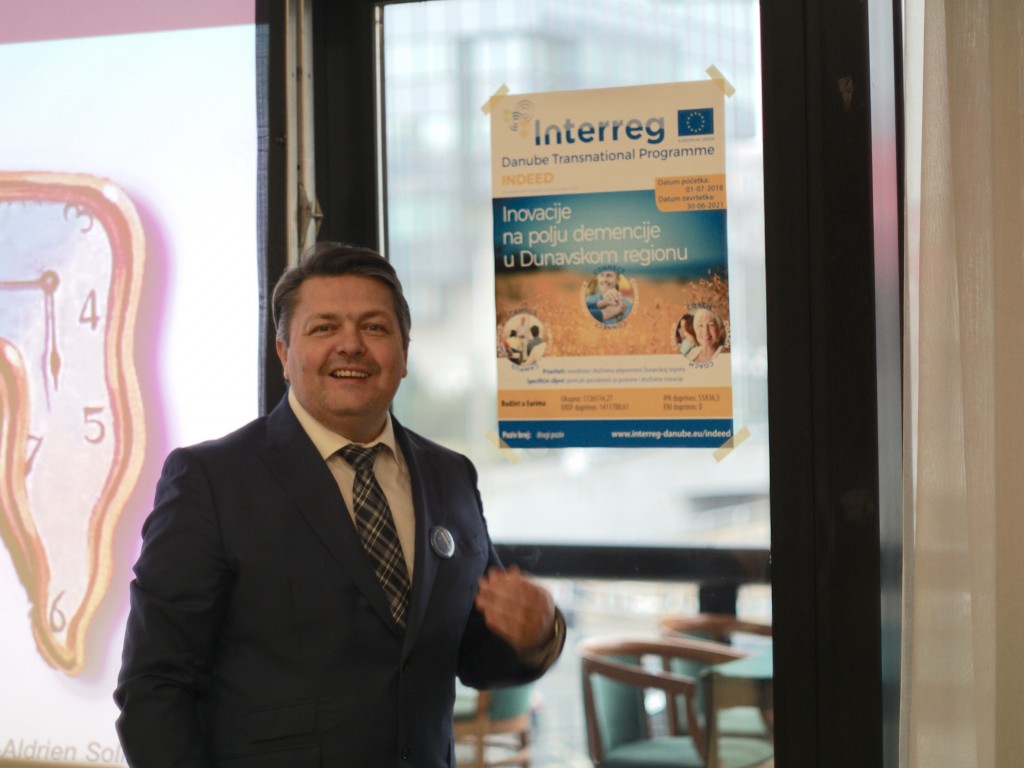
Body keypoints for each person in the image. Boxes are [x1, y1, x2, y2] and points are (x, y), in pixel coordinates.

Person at [114, 242, 565, 767]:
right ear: (284, 354)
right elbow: (155, 685)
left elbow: (474, 654)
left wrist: (536, 634)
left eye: (374, 327)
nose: (350, 345)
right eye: (324, 328)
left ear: (403, 354)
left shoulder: (451, 476)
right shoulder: (211, 481)